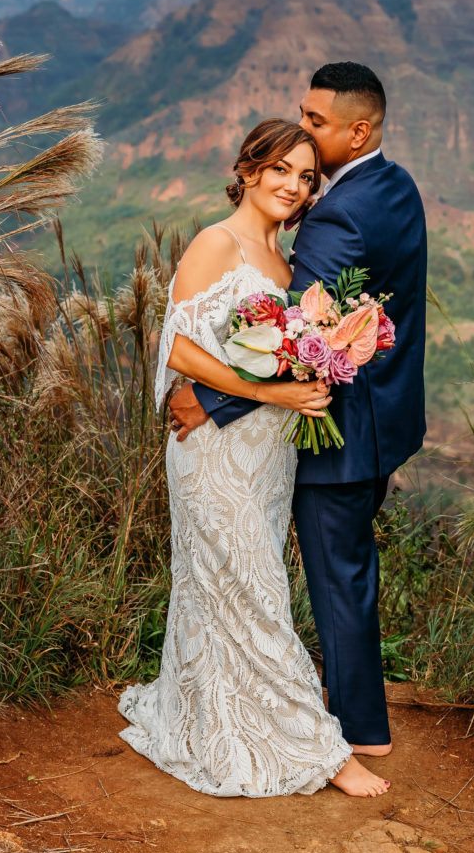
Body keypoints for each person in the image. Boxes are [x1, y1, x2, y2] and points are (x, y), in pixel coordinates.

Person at [118, 118, 390, 798]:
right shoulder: (218, 243)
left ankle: (211, 717)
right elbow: (177, 352)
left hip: (271, 454)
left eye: (306, 178)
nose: (294, 187)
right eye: (280, 171)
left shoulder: (292, 266)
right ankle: (324, 754)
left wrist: (317, 368)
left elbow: (290, 350)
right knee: (257, 591)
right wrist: (275, 390)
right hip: (214, 454)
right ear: (247, 169)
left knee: (236, 587)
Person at [171, 62, 428, 759]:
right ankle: (323, 713)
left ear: (358, 129)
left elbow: (303, 329)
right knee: (341, 574)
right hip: (384, 424)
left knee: (332, 579)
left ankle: (353, 733)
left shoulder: (339, 211)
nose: (306, 132)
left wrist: (210, 396)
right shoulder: (395, 184)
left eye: (316, 123)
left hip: (333, 434)